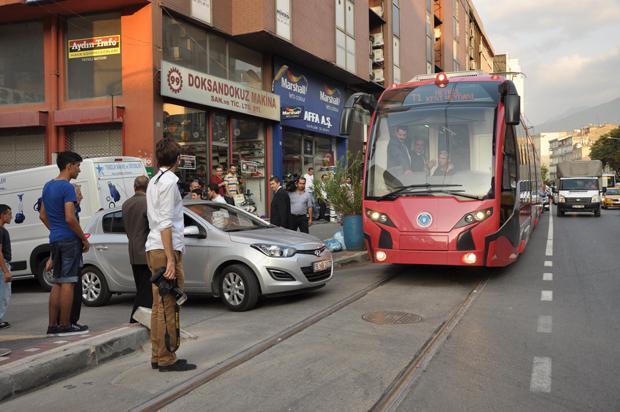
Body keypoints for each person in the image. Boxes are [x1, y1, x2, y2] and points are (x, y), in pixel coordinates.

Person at [146, 138, 196, 372]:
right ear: (177, 160)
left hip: (154, 246)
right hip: (164, 248)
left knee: (159, 306)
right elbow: (166, 224)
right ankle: (167, 359)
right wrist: (170, 260)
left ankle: (158, 355)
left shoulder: (153, 181)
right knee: (168, 305)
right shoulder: (168, 183)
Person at [39, 151, 90, 337]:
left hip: (55, 238)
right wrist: (83, 238)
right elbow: (70, 217)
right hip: (69, 239)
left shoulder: (48, 186)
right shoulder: (67, 188)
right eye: (77, 165)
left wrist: (54, 230)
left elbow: (42, 215)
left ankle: (52, 325)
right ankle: (66, 325)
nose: (79, 169)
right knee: (68, 282)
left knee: (57, 282)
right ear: (69, 166)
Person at [122, 176, 153, 324]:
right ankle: (136, 318)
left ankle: (138, 318)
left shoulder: (126, 204)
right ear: (148, 188)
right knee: (146, 290)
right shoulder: (148, 203)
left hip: (133, 250)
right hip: (146, 249)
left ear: (134, 187)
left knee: (140, 286)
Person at [69, 184, 86, 329]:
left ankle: (72, 321)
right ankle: (70, 321)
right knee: (74, 288)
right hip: (73, 251)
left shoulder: (76, 211)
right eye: (79, 193)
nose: (81, 196)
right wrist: (83, 240)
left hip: (75, 252)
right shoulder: (72, 212)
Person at [0, 204, 12, 330]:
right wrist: (5, 271)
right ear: (2, 215)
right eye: (9, 214)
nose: (11, 217)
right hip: (2, 266)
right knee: (3, 294)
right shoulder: (0, 230)